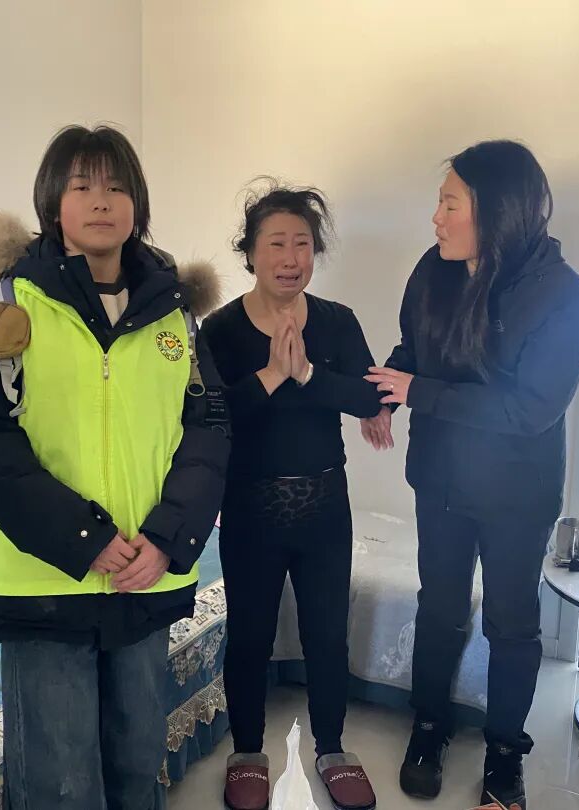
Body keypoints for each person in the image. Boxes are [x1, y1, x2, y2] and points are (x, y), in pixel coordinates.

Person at [0, 124, 230, 810]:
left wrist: (167, 537)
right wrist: (84, 538)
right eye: (82, 186)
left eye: (117, 186)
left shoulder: (175, 314)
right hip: (47, 582)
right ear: (53, 204)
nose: (101, 200)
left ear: (138, 204)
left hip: (144, 575)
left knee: (137, 762)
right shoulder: (10, 307)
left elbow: (208, 428)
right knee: (59, 781)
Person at [363, 141, 579, 810]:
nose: (436, 219)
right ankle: (429, 725)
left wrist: (419, 393)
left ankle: (504, 753)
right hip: (441, 480)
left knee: (511, 624)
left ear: (497, 211)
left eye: (449, 205)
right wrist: (385, 396)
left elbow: (530, 409)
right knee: (439, 607)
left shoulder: (560, 295)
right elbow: (413, 348)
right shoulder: (433, 270)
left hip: (518, 493)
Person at [201, 183, 382, 810]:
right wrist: (272, 375)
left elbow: (368, 396)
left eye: (302, 244)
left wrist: (306, 373)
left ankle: (332, 750)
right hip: (250, 508)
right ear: (250, 253)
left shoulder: (336, 321)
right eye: (275, 243)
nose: (290, 257)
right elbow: (213, 416)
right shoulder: (221, 329)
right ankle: (248, 753)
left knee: (327, 635)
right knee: (249, 636)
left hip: (325, 505)